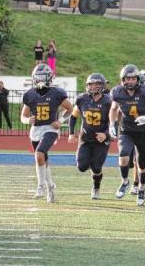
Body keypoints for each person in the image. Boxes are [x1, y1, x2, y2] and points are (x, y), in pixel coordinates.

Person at [109, 64, 145, 206]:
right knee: (123, 156)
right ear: (123, 79)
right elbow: (113, 109)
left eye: (133, 78)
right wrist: (111, 123)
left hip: (143, 132)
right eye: (128, 78)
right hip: (126, 130)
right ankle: (125, 181)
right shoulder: (118, 92)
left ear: (138, 79)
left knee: (142, 164)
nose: (130, 81)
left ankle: (142, 188)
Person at [21, 64, 73, 203]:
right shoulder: (30, 94)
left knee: (39, 154)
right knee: (43, 160)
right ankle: (50, 187)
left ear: (49, 78)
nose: (40, 81)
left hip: (50, 128)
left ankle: (40, 186)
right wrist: (27, 120)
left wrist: (60, 120)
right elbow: (23, 116)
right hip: (36, 130)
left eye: (42, 78)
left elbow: (69, 108)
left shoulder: (57, 93)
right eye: (37, 78)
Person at [68, 73, 112, 199]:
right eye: (91, 84)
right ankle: (91, 170)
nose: (93, 87)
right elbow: (73, 116)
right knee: (82, 167)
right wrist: (71, 133)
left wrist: (106, 134)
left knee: (97, 167)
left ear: (102, 86)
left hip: (101, 140)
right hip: (86, 138)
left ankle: (96, 186)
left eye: (96, 84)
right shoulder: (82, 99)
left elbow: (116, 122)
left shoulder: (108, 101)